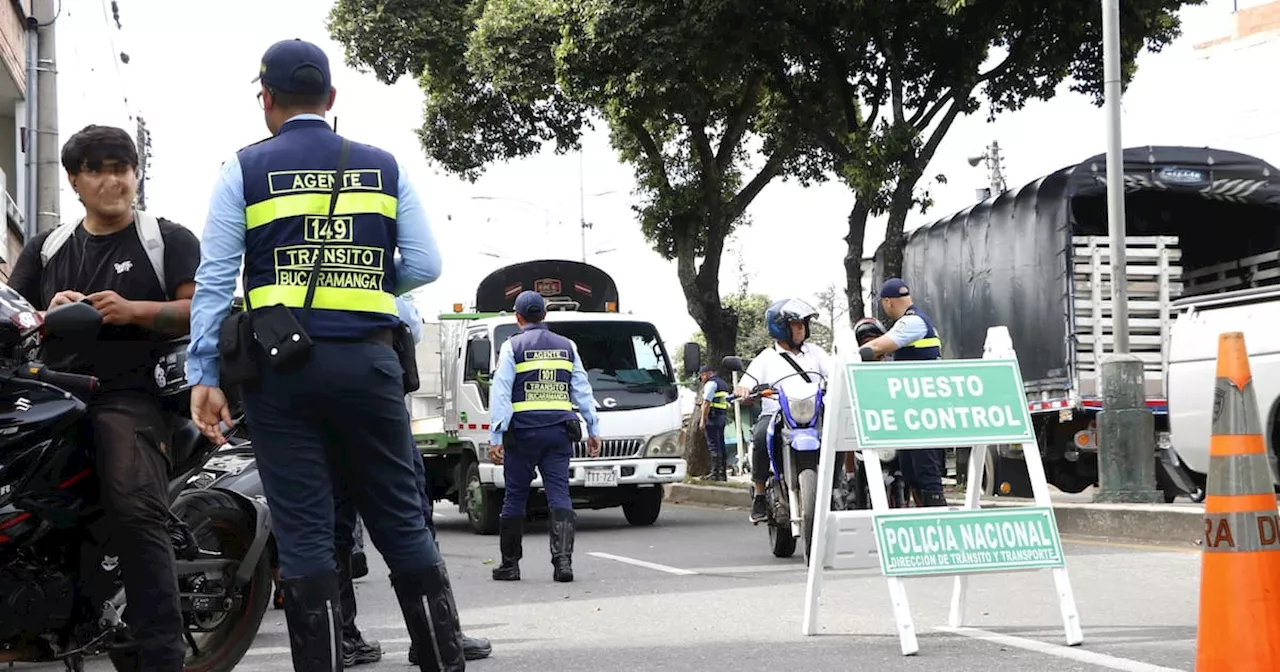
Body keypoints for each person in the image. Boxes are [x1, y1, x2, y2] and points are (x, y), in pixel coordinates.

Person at [185, 39, 464, 671]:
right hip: (369, 365)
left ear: (267, 101)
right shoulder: (384, 166)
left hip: (282, 376)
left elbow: (216, 278)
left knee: (306, 529)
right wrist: (360, 281)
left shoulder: (244, 170)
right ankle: (443, 662)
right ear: (331, 99)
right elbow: (425, 263)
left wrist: (203, 373)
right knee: (399, 518)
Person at [6, 124, 202, 671]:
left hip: (130, 398)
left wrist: (134, 310)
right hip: (48, 395)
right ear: (75, 180)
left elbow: (203, 309)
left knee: (136, 513)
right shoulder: (49, 247)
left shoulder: (168, 238)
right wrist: (50, 311)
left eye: (123, 168)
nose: (114, 180)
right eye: (98, 169)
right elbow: (16, 311)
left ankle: (161, 655)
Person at [332, 295, 494, 666]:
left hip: (315, 407)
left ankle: (342, 638)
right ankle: (435, 638)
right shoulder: (376, 267)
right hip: (376, 404)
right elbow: (410, 321)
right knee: (412, 518)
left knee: (332, 527)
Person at [487, 290, 602, 583]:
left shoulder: (512, 346)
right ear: (545, 316)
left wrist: (497, 436)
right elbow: (582, 389)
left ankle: (510, 565)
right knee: (559, 495)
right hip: (559, 432)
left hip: (523, 434)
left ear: (518, 317)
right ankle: (563, 563)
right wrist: (593, 429)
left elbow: (501, 392)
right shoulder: (568, 346)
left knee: (515, 497)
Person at [735, 299, 832, 523]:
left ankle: (839, 484)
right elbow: (746, 383)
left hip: (813, 413)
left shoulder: (815, 353)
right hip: (776, 414)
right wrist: (743, 390)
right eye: (796, 324)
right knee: (760, 437)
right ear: (781, 327)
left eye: (803, 324)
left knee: (838, 434)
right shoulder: (766, 358)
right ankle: (759, 492)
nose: (801, 328)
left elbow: (834, 372)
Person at [858, 278, 948, 507]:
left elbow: (878, 347)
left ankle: (938, 524)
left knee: (927, 475)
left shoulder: (912, 322)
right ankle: (921, 520)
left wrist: (848, 356)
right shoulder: (919, 321)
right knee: (911, 472)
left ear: (887, 302)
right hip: (913, 410)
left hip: (924, 411)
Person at [698, 364, 731, 481]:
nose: (701, 379)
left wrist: (702, 420)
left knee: (713, 446)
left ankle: (714, 474)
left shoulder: (711, 384)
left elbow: (707, 403)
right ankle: (723, 474)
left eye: (701, 376)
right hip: (722, 417)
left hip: (712, 418)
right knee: (721, 445)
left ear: (707, 374)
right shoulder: (723, 384)